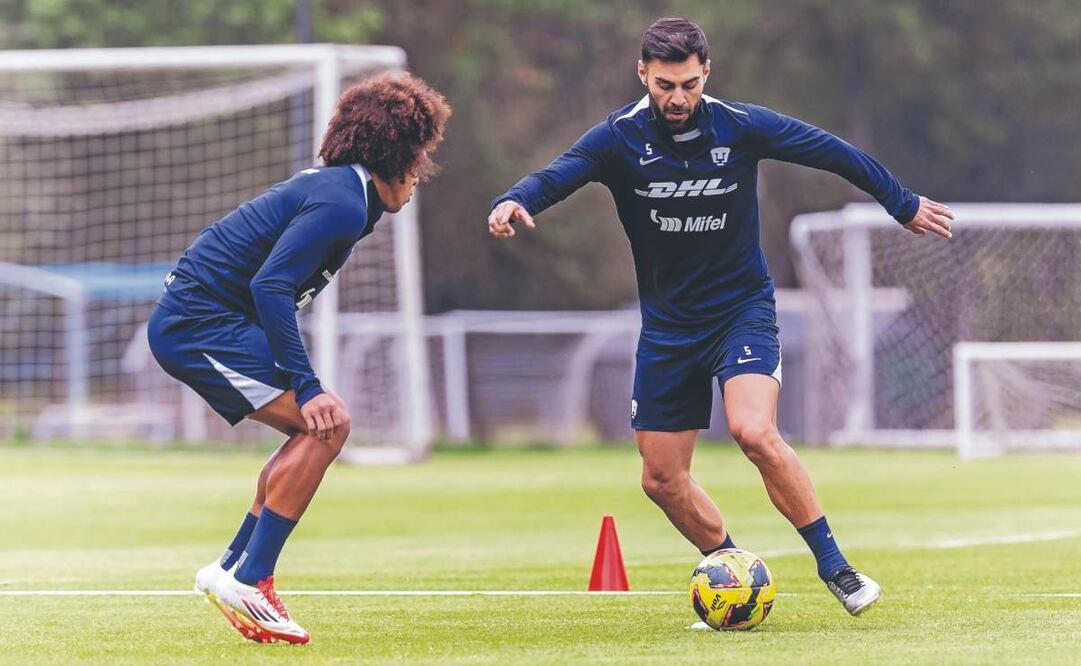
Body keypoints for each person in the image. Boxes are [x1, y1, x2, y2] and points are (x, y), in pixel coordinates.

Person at [488, 17, 954, 616]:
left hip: (741, 311)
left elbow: (832, 152)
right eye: (663, 85)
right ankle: (737, 574)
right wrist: (514, 199)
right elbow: (558, 175)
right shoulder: (618, 139)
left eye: (687, 84)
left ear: (705, 73)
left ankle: (837, 567)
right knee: (659, 480)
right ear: (642, 75)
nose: (676, 98)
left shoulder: (740, 126)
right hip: (667, 329)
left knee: (753, 431)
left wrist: (902, 202)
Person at [148, 73, 451, 643]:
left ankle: (233, 569)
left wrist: (302, 386)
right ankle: (252, 577)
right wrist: (307, 386)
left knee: (314, 430)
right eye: (420, 157)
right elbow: (271, 288)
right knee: (327, 425)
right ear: (397, 154)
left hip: (211, 322)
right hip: (198, 326)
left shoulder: (349, 197)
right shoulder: (341, 202)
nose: (420, 175)